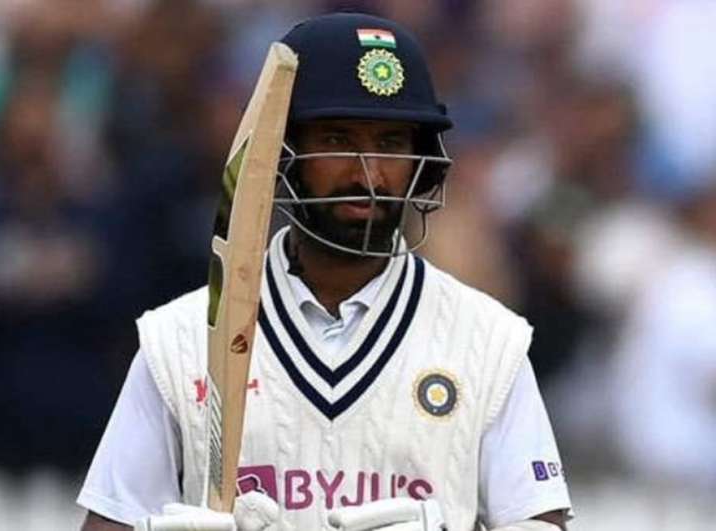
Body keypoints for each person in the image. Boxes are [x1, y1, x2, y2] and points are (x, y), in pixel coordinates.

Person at [78, 13, 572, 531]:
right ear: (281, 153)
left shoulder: (487, 342)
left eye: (390, 144)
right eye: (337, 140)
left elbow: (542, 521)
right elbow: (110, 521)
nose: (369, 174)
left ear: (420, 161)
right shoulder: (179, 343)